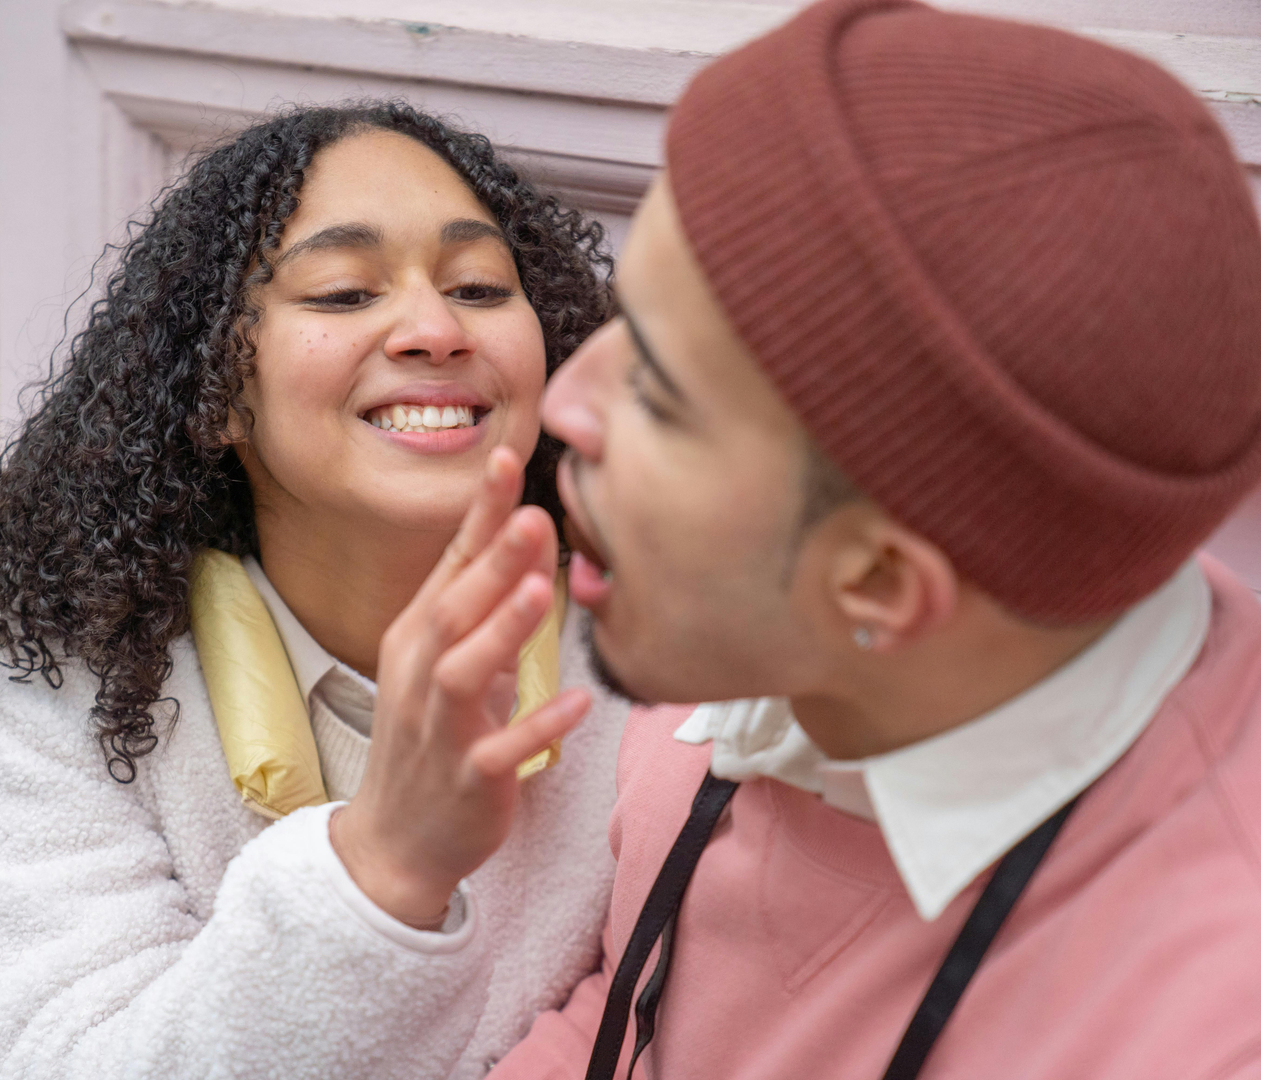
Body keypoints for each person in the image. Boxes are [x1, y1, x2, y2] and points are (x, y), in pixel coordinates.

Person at [325, 2, 1261, 1077]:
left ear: (877, 582)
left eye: (665, 398)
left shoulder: (1206, 1026)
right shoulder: (752, 626)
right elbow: (629, 1013)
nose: (567, 398)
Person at [0, 102, 630, 1080]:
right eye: (341, 294)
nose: (434, 328)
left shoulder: (649, 635)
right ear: (215, 392)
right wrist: (386, 867)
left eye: (477, 286)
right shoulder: (44, 676)